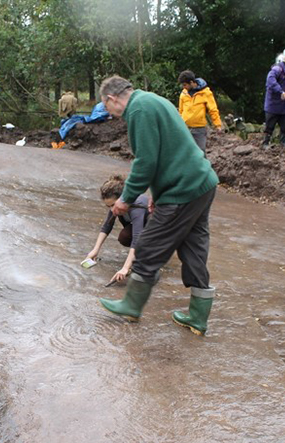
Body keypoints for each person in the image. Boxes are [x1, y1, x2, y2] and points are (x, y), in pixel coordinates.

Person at [98, 76, 219, 335]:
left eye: (107, 109)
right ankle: (198, 317)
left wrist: (126, 198)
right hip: (202, 182)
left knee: (149, 245)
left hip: (182, 189)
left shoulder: (138, 110)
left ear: (111, 99)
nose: (111, 115)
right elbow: (169, 149)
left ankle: (132, 305)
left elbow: (146, 162)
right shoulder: (152, 100)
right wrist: (155, 192)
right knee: (194, 248)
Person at [84, 175, 150, 284]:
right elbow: (106, 226)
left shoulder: (136, 206)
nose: (111, 209)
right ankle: (138, 255)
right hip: (141, 228)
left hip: (158, 228)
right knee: (124, 237)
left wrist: (125, 267)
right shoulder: (116, 206)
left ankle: (149, 254)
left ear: (122, 199)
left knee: (138, 243)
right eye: (108, 206)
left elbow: (137, 237)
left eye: (113, 205)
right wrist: (95, 250)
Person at [177, 70, 222, 155]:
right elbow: (180, 111)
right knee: (186, 153)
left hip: (199, 129)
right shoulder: (183, 93)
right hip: (185, 128)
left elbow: (213, 109)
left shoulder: (205, 93)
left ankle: (203, 168)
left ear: (191, 82)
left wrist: (217, 124)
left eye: (185, 85)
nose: (184, 87)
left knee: (200, 152)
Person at [262, 47, 285, 149]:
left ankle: (283, 142)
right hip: (274, 103)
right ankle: (265, 143)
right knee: (270, 125)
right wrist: (280, 90)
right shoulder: (277, 69)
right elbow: (270, 81)